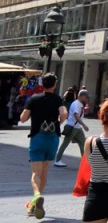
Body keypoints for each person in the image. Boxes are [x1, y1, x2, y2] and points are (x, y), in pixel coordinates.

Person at [20, 71, 67, 219]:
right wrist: (58, 122)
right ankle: (33, 206)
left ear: (42, 84)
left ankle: (36, 195)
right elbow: (64, 113)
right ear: (54, 85)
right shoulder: (58, 99)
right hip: (52, 138)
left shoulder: (34, 98)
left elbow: (23, 118)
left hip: (37, 137)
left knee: (36, 173)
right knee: (44, 172)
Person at [55, 88, 91, 166]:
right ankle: (57, 160)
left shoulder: (80, 104)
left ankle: (85, 162)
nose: (86, 99)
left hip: (77, 127)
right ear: (81, 96)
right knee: (65, 143)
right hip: (72, 127)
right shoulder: (76, 104)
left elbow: (78, 115)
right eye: (86, 97)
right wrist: (84, 125)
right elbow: (76, 115)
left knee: (83, 143)